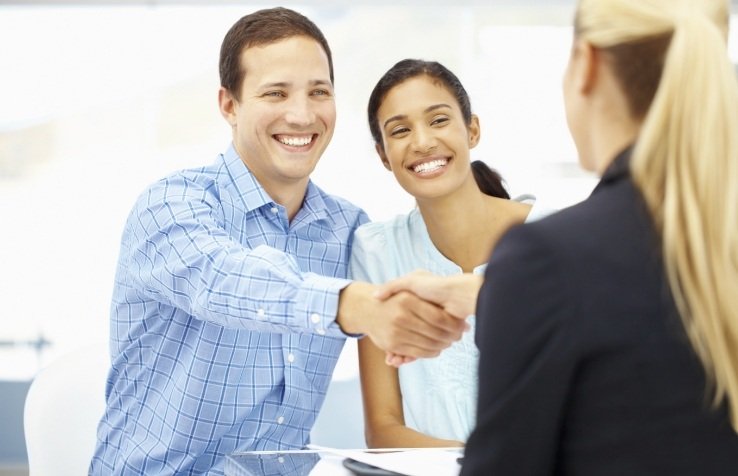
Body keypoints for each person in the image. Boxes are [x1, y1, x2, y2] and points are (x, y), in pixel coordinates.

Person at [89, 8, 467, 475]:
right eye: (276, 92)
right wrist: (356, 304)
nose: (302, 114)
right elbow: (225, 279)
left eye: (319, 92)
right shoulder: (171, 205)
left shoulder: (348, 229)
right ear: (229, 105)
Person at [380, 0, 738, 474]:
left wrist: (516, 291)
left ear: (585, 64)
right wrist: (496, 296)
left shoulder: (548, 257)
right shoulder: (710, 236)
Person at [350, 59, 551, 448]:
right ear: (383, 155)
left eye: (438, 120)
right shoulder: (376, 251)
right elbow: (383, 429)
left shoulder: (551, 236)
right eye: (400, 130)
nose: (422, 142)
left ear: (472, 130)